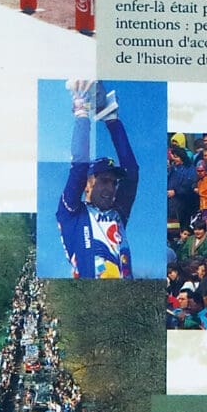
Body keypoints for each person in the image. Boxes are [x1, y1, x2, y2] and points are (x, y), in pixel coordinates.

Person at [56, 79, 141, 277]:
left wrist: (112, 121)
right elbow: (79, 168)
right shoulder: (72, 212)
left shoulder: (118, 213)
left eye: (113, 182)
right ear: (87, 184)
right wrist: (82, 113)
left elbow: (132, 173)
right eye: (104, 181)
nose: (111, 188)